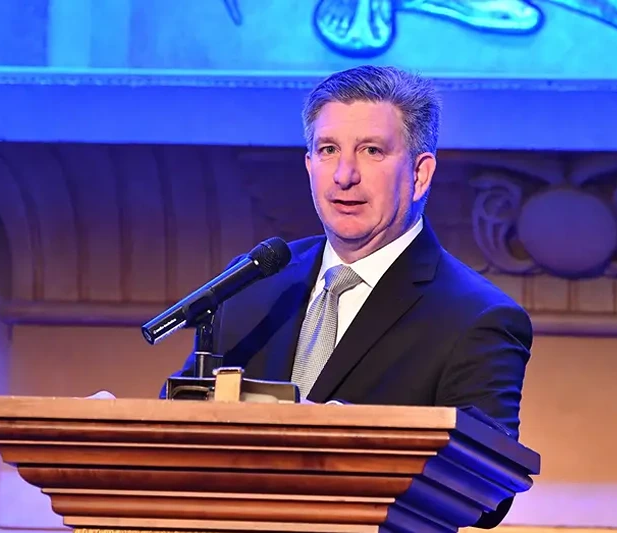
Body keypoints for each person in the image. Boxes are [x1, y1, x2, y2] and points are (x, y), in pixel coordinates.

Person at [170, 65, 533, 527]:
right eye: (328, 150)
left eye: (371, 151)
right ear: (309, 165)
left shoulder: (478, 317)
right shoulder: (253, 284)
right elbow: (181, 421)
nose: (344, 175)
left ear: (420, 174)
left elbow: (487, 490)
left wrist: (345, 435)